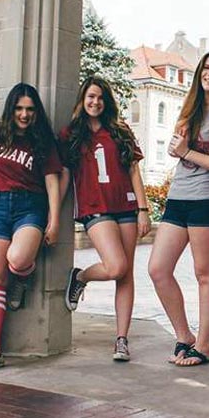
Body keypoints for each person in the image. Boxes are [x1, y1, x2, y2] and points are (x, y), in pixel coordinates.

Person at [148, 50, 209, 366]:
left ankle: (205, 345)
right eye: (207, 68)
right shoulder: (190, 108)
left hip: (207, 200)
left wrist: (187, 151)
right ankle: (184, 335)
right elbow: (179, 151)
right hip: (178, 196)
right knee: (158, 269)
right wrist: (178, 149)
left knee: (205, 274)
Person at [0, 83, 62, 374]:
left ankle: (23, 276)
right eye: (19, 108)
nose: (24, 114)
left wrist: (54, 219)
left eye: (30, 109)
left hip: (30, 206)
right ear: (11, 108)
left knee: (18, 259)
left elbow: (52, 181)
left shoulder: (42, 141)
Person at [61, 77, 151, 361]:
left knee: (126, 275)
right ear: (82, 99)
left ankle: (121, 339)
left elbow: (134, 170)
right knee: (115, 266)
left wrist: (143, 209)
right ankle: (81, 277)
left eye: (100, 97)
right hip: (94, 207)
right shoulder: (71, 134)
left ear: (106, 101)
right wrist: (53, 214)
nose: (95, 102)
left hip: (125, 205)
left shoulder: (120, 131)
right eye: (90, 97)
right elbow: (63, 176)